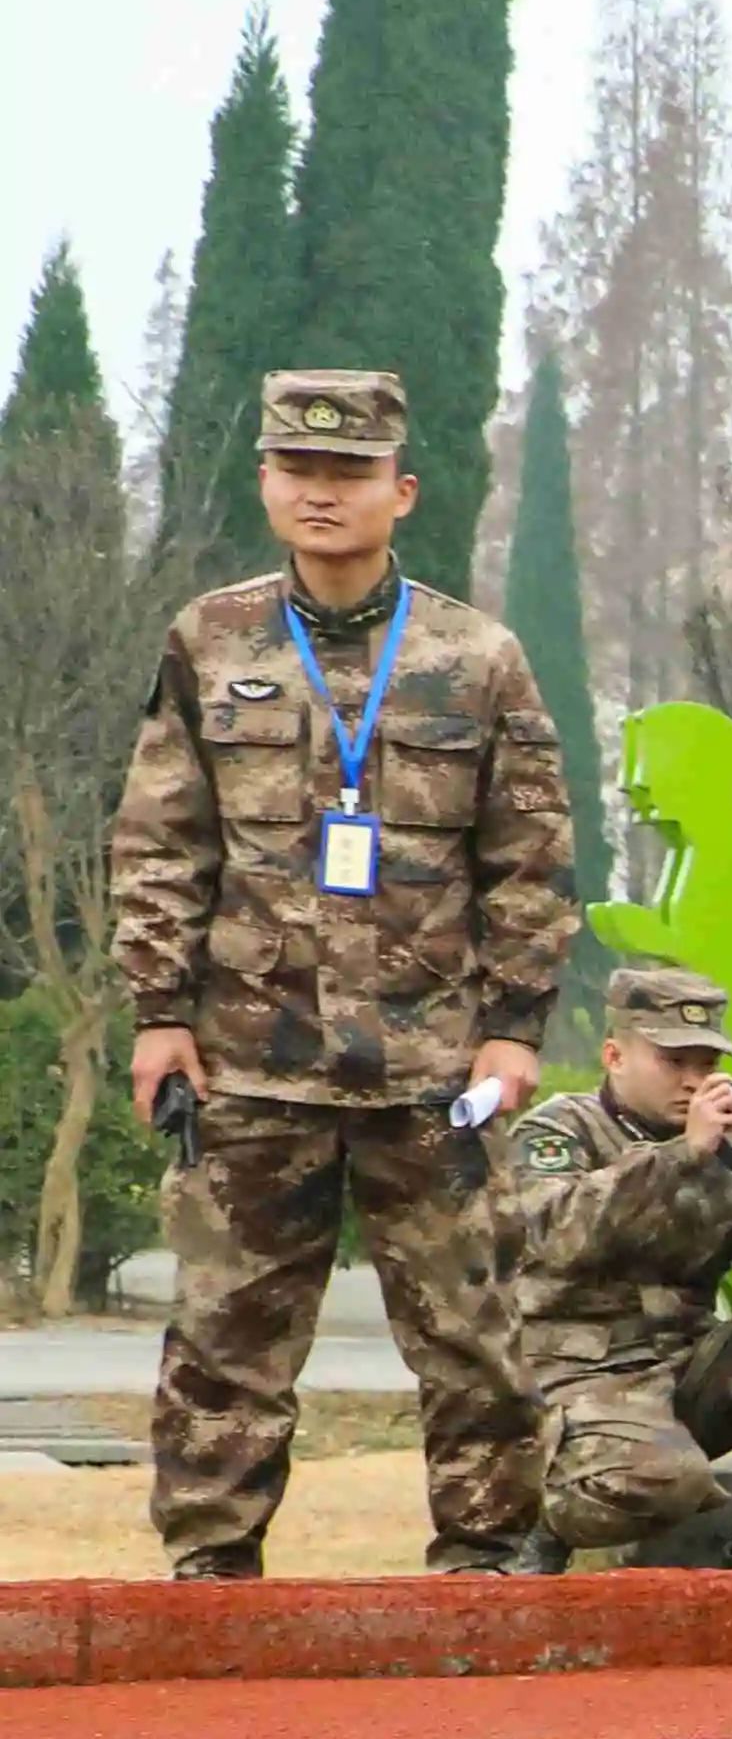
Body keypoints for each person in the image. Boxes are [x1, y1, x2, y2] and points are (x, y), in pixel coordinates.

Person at [108, 367, 572, 1578]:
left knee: (474, 1336)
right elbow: (164, 836)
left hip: (432, 1070)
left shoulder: (478, 656)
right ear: (266, 481)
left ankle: (484, 1562)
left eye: (350, 473)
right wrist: (160, 1013)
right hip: (253, 1062)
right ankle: (211, 1573)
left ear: (399, 491)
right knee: (225, 1340)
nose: (323, 493)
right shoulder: (211, 639)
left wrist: (515, 1029)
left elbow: (530, 855)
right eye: (300, 469)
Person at [497, 964, 732, 1570]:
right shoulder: (558, 1130)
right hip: (577, 1380)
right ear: (614, 1055)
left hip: (679, 1368)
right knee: (673, 1482)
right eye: (673, 1061)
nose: (692, 1081)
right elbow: (557, 1236)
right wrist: (680, 1155)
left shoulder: (727, 1147)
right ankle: (540, 1513)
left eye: (705, 1065)